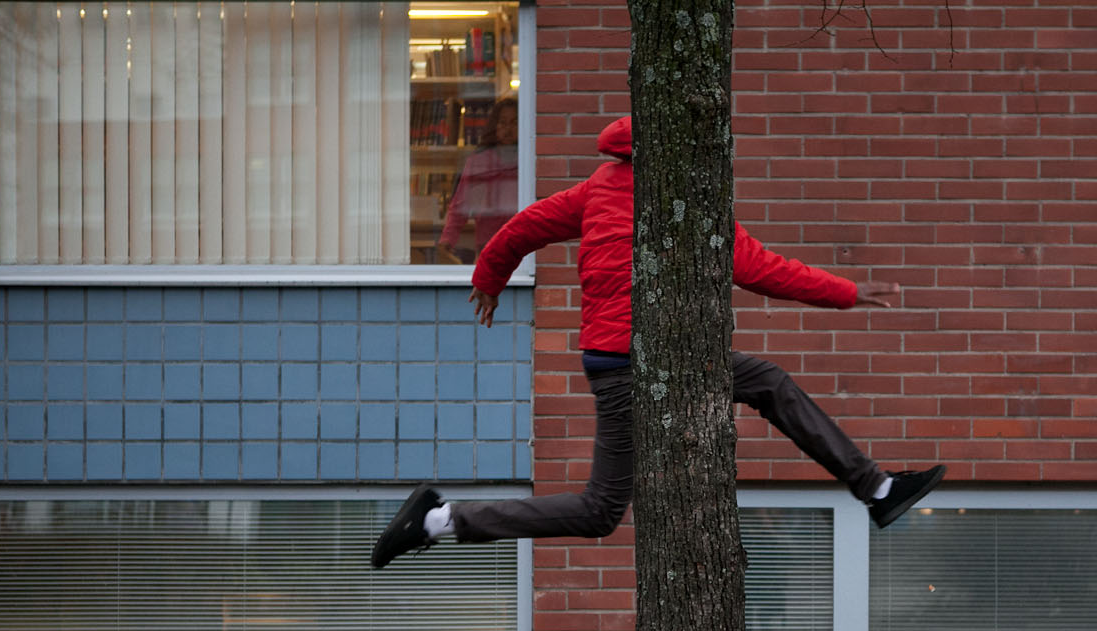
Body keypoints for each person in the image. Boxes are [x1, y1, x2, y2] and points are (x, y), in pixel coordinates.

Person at [372, 115, 944, 569]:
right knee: (600, 511)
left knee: (766, 381)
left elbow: (521, 228)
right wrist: (846, 292)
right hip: (635, 365)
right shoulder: (687, 200)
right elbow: (761, 268)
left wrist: (489, 282)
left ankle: (877, 487)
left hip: (625, 358)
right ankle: (437, 522)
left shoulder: (593, 192)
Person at [435, 97, 519, 265]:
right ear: (494, 125)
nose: (508, 129)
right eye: (502, 123)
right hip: (487, 246)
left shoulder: (529, 159)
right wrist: (447, 240)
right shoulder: (479, 161)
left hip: (522, 245)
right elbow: (460, 205)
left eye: (514, 123)